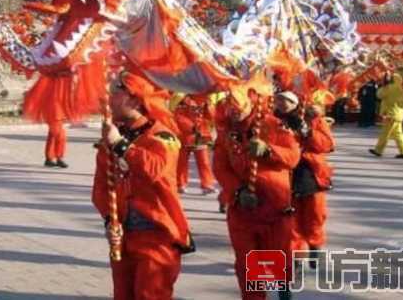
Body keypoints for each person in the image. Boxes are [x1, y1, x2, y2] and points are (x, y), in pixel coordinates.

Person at [92, 69, 194, 300]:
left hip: (157, 236)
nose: (108, 96)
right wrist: (110, 220)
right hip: (126, 235)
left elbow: (156, 170)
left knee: (150, 295)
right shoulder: (113, 136)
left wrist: (121, 145)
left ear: (135, 98)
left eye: (116, 90)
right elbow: (101, 188)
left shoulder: (161, 136)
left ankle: (284, 286)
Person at [213, 86, 301, 300]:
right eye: (229, 109)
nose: (234, 113)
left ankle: (283, 290)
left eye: (238, 108)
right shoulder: (225, 134)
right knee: (246, 264)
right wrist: (238, 191)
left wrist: (269, 151)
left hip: (274, 208)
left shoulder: (271, 124)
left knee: (277, 259)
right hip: (242, 210)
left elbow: (293, 156)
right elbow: (220, 168)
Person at [273, 92, 334, 269]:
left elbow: (327, 145)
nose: (283, 104)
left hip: (310, 172)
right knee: (292, 218)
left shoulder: (311, 118)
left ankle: (315, 244)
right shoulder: (271, 120)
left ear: (296, 102)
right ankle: (297, 255)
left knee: (315, 214)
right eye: (279, 100)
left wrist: (308, 132)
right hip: (285, 172)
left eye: (288, 101)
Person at [173, 93, 216, 194]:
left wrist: (209, 106)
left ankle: (207, 184)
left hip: (201, 134)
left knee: (204, 161)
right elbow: (178, 116)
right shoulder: (182, 99)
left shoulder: (206, 100)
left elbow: (212, 117)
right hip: (185, 135)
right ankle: (180, 183)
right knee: (182, 162)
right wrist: (190, 126)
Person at [369, 74, 403, 159]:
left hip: (390, 114)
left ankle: (378, 150)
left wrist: (383, 86)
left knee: (385, 134)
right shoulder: (402, 88)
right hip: (399, 114)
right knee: (398, 134)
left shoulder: (389, 87)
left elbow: (379, 95)